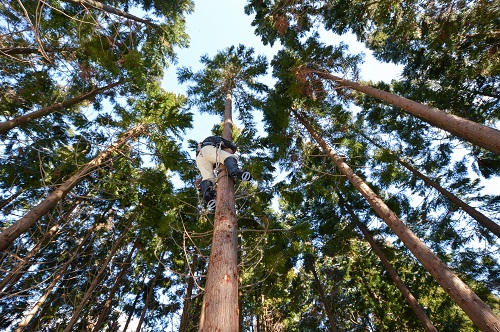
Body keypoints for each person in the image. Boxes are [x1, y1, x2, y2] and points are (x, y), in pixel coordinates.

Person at [196, 136, 251, 209]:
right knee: (227, 157)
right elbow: (226, 143)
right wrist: (233, 148)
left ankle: (208, 196)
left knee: (208, 177)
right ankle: (236, 171)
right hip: (208, 150)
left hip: (199, 158)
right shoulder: (212, 139)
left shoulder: (200, 147)